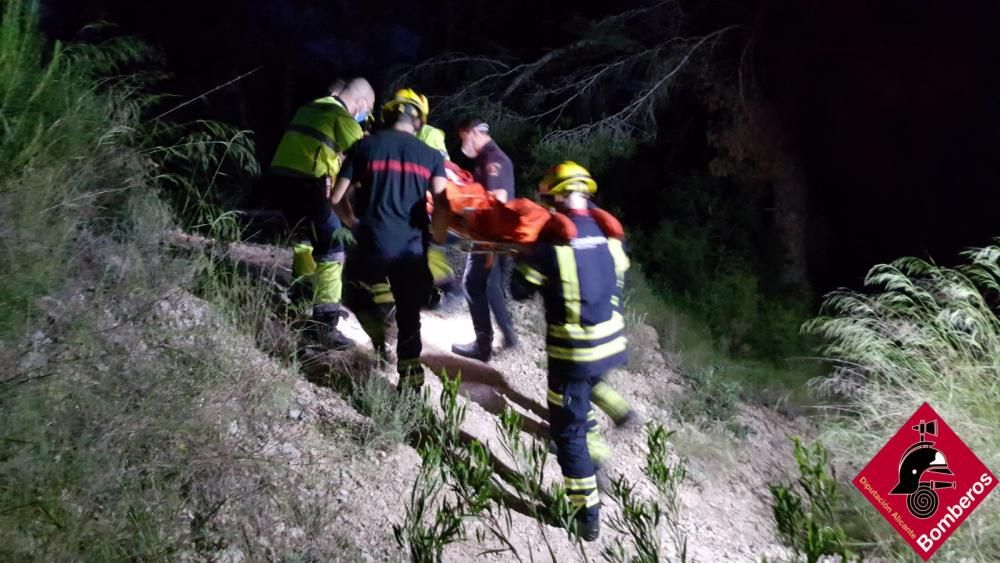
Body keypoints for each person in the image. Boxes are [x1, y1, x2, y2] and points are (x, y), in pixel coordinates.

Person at [509, 161, 631, 542]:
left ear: (556, 194)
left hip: (574, 352)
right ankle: (620, 410)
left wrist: (522, 254)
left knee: (569, 431)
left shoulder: (552, 240)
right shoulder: (608, 231)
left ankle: (585, 516)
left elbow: (519, 291)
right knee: (586, 386)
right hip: (610, 341)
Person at [331, 88, 449, 389]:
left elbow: (336, 197)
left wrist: (352, 221)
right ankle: (409, 383)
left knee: (356, 293)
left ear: (388, 114)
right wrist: (437, 235)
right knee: (410, 315)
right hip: (410, 248)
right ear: (419, 121)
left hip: (369, 242)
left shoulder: (364, 146)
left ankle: (379, 343)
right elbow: (442, 203)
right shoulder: (431, 156)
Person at [270, 77, 375, 349]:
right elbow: (366, 157)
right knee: (333, 247)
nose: (364, 116)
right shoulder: (341, 116)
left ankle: (302, 294)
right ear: (362, 103)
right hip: (309, 186)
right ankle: (324, 325)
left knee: (305, 240)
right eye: (367, 110)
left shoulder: (310, 107)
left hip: (281, 184)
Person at [451, 118, 519, 362]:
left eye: (463, 137)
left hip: (492, 236)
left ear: (472, 133)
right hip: (492, 235)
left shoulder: (493, 159)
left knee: (473, 284)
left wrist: (464, 212)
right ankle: (505, 337)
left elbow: (497, 198)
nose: (462, 143)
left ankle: (484, 345)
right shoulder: (486, 158)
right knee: (489, 286)